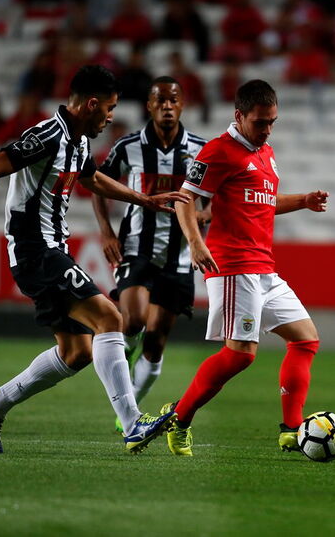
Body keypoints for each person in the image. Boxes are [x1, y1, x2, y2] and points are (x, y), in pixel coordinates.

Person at [0, 65, 190, 455]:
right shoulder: (48, 135)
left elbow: (92, 179)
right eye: (109, 109)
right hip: (35, 249)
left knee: (76, 352)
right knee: (111, 318)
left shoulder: (77, 142)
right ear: (92, 104)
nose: (111, 117)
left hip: (51, 250)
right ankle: (132, 423)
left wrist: (144, 200)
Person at [150, 79, 330, 457]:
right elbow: (186, 198)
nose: (267, 130)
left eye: (272, 122)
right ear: (239, 116)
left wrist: (304, 200)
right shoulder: (218, 152)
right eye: (260, 122)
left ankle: (291, 429)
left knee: (305, 339)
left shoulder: (265, 153)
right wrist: (196, 243)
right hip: (233, 267)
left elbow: (263, 201)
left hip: (264, 268)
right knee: (241, 355)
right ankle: (178, 419)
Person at [92, 77, 209, 431]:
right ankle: (124, 362)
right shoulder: (129, 147)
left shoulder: (201, 150)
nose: (168, 106)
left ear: (183, 104)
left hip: (179, 257)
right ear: (150, 105)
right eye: (161, 100)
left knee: (156, 341)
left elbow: (214, 195)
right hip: (136, 248)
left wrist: (207, 215)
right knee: (134, 321)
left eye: (173, 100)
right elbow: (97, 183)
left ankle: (127, 412)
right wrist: (106, 231)